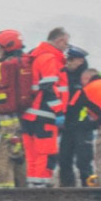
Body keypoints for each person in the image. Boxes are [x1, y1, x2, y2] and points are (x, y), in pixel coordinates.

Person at [21, 28, 72, 186]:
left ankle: (33, 187)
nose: (66, 47)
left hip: (30, 115)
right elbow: (49, 87)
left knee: (32, 155)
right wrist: (59, 112)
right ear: (59, 41)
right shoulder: (50, 58)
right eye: (66, 43)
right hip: (45, 115)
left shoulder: (37, 55)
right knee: (45, 154)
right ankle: (42, 191)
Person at [0, 29, 32, 188]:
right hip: (23, 126)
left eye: (0, 47)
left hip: (9, 130)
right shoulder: (24, 65)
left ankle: (5, 198)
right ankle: (23, 195)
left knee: (2, 163)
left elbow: (1, 97)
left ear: (8, 47)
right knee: (19, 161)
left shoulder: (5, 67)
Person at [56, 47, 101, 187]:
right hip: (67, 127)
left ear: (80, 60)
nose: (67, 62)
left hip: (83, 127)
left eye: (70, 60)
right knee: (64, 160)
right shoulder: (64, 76)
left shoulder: (89, 78)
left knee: (84, 163)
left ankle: (89, 192)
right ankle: (68, 193)